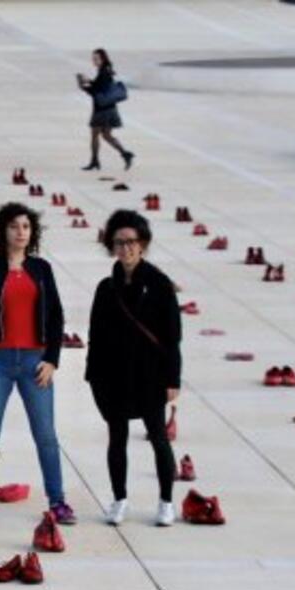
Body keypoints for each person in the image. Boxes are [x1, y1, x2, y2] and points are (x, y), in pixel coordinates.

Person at [0, 203, 76, 526]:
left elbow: (56, 315)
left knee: (46, 435)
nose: (21, 232)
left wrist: (52, 360)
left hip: (36, 363)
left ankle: (58, 502)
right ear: (2, 231)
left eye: (26, 226)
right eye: (14, 226)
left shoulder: (41, 269)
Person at [87, 210, 181, 527]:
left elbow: (172, 337)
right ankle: (120, 499)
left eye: (131, 242)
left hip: (149, 374)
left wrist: (172, 379)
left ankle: (166, 501)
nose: (125, 248)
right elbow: (96, 335)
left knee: (158, 437)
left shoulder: (160, 285)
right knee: (117, 438)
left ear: (142, 244)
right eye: (119, 242)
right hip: (112, 375)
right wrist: (92, 376)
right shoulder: (106, 288)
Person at [77, 48, 134, 170]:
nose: (94, 61)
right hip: (109, 108)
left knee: (95, 134)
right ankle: (125, 154)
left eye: (96, 59)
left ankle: (95, 161)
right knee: (106, 135)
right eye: (93, 59)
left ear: (103, 59)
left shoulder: (103, 72)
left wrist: (83, 86)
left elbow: (97, 91)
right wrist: (89, 81)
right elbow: (100, 87)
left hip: (102, 110)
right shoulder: (106, 70)